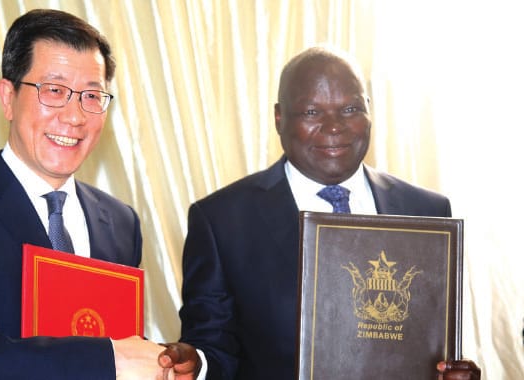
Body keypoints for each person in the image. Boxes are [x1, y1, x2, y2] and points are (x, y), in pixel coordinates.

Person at [158, 47, 481, 379]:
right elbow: (213, 349)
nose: (334, 126)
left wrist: (450, 374)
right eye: (312, 111)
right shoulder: (222, 222)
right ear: (279, 118)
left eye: (350, 109)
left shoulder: (427, 213)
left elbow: (429, 344)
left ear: (370, 111)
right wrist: (196, 364)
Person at [0, 9, 166, 379]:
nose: (75, 116)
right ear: (8, 97)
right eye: (54, 91)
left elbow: (120, 339)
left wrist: (163, 362)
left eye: (92, 95)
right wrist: (107, 361)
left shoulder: (120, 221)